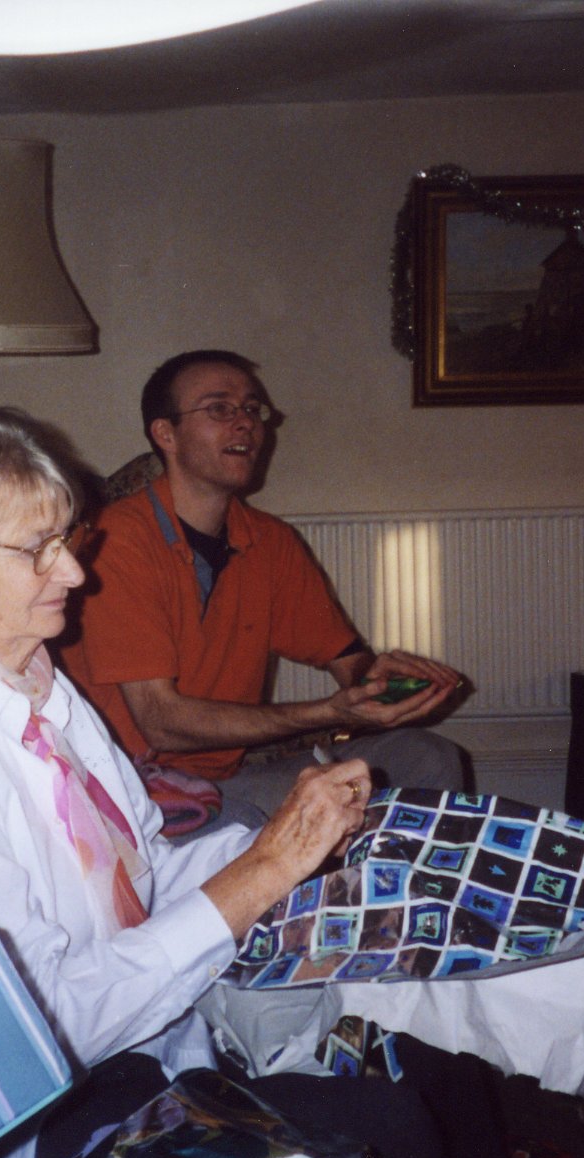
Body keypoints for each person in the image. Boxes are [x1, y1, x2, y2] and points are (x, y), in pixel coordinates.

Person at [0, 410, 502, 1158]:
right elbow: (43, 1028)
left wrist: (301, 845)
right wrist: (265, 872)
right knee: (394, 1124)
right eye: (37, 550)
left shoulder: (40, 689)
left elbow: (146, 876)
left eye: (68, 538)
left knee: (448, 1072)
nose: (75, 573)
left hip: (160, 1055)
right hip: (49, 1122)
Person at [63, 349, 468, 828]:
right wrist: (327, 712)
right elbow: (161, 722)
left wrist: (383, 682)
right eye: (219, 409)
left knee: (429, 758)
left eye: (252, 409)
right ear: (165, 434)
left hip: (226, 779)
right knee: (246, 821)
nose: (245, 423)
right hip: (139, 789)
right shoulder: (117, 540)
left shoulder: (269, 540)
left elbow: (349, 663)